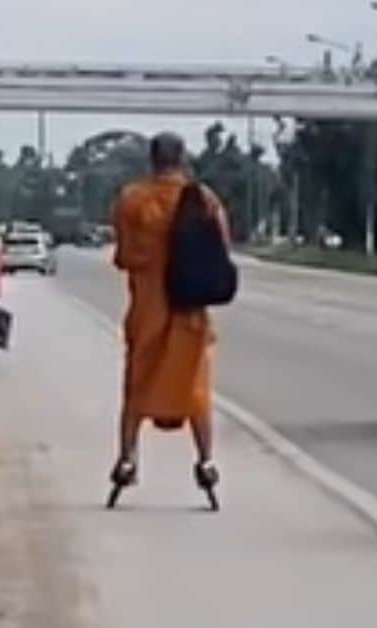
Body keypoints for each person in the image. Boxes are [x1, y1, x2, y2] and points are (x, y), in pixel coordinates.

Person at [110, 132, 230, 492]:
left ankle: (128, 458)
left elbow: (123, 257)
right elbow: (222, 248)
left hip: (148, 311)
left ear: (151, 159)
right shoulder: (203, 199)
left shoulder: (133, 200)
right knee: (194, 387)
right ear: (183, 158)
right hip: (189, 310)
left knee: (138, 386)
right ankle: (206, 460)